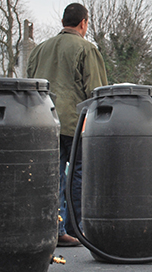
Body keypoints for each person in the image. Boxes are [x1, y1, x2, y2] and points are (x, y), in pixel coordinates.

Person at [27, 3, 108, 247]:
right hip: (75, 124)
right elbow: (96, 91)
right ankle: (76, 227)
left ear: (63, 22)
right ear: (84, 22)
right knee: (79, 174)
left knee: (53, 176)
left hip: (43, 122)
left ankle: (55, 226)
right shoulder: (86, 49)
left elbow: (31, 84)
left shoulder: (40, 49)